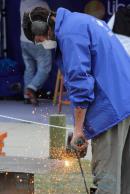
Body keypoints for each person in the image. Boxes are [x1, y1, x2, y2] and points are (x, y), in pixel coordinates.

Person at [22, 7, 130, 194]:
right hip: (124, 104)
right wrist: (80, 129)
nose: (40, 43)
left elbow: (80, 83)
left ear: (42, 27)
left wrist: (80, 129)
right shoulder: (79, 22)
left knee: (107, 181)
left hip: (112, 111)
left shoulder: (69, 34)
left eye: (38, 39)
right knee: (125, 179)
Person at [20, 0, 52, 105]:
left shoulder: (23, 3)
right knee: (45, 66)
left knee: (29, 68)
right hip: (38, 40)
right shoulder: (43, 5)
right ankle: (32, 88)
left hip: (24, 40)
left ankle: (26, 95)